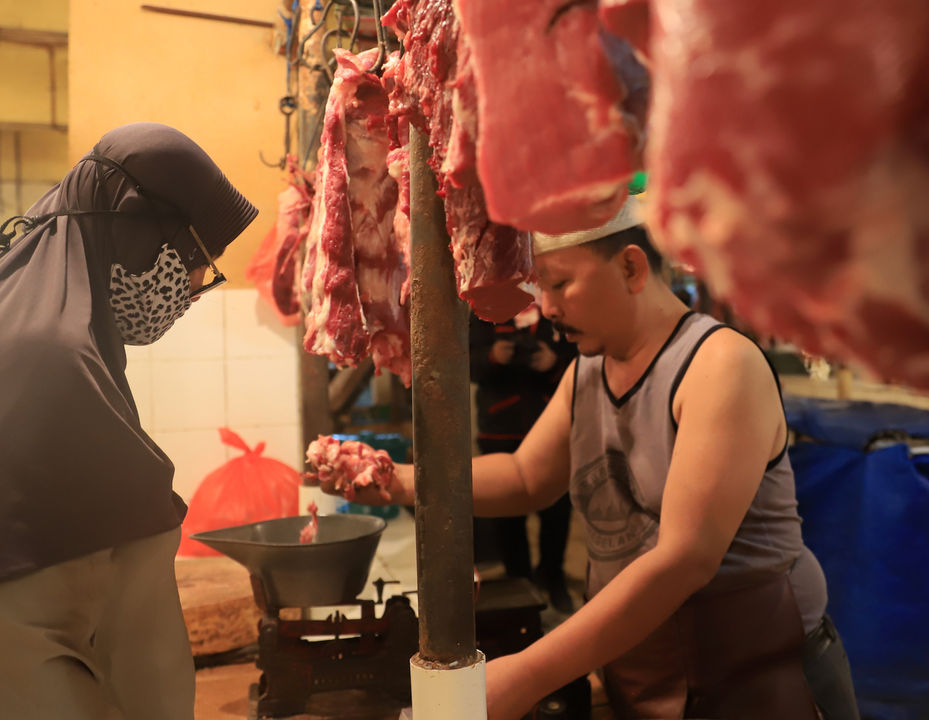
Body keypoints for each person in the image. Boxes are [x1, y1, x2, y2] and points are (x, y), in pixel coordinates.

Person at [340, 197, 860, 719]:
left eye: (559, 283)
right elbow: (525, 478)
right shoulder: (588, 371)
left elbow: (684, 560)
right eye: (539, 286)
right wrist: (398, 480)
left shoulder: (719, 366)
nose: (546, 306)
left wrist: (527, 675)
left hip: (755, 677)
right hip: (644, 671)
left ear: (631, 267)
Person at [0, 122, 258, 720]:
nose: (195, 286)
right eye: (200, 259)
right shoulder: (55, 355)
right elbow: (130, 637)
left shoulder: (27, 311)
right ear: (138, 227)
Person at [470, 307, 577, 613]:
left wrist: (554, 362)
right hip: (500, 428)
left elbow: (585, 360)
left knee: (557, 510)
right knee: (507, 515)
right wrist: (494, 356)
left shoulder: (556, 309)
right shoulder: (485, 309)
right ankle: (520, 583)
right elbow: (465, 364)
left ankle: (553, 577)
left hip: (552, 426)